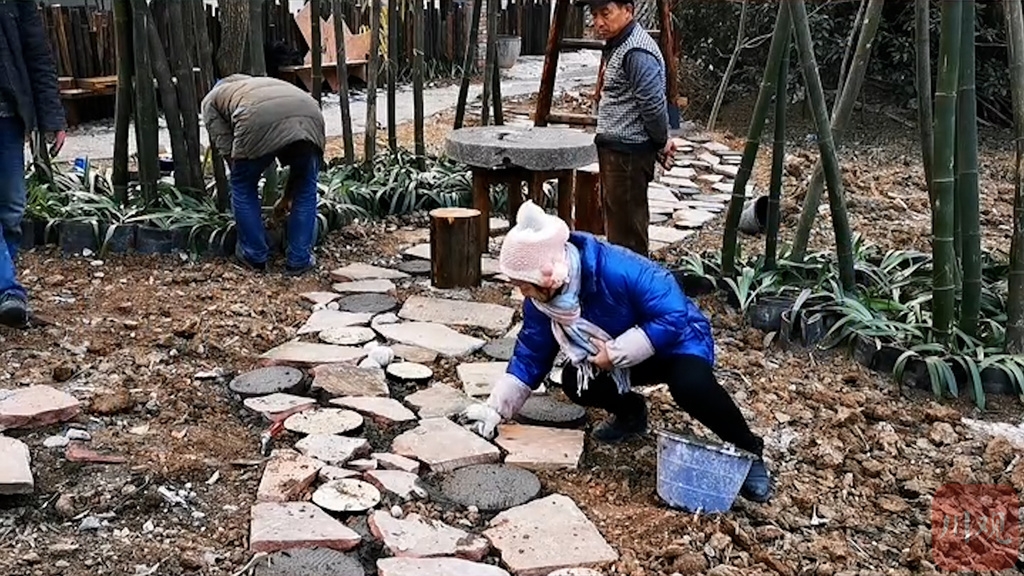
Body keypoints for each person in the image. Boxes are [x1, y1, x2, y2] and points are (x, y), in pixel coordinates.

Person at [459, 201, 772, 503]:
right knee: (576, 381)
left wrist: (617, 353)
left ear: (550, 274)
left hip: (677, 342)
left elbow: (673, 313)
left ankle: (748, 448)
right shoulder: (542, 301)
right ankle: (631, 414)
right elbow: (531, 353)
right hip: (615, 353)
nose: (522, 291)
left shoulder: (618, 269)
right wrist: (496, 409)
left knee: (691, 386)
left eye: (524, 284)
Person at [201, 74, 325, 275]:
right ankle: (300, 260)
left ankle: (254, 255)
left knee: (242, 185)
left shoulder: (212, 100)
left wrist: (246, 177)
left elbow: (230, 154)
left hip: (256, 116)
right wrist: (287, 198)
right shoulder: (258, 84)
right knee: (306, 186)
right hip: (310, 112)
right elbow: (300, 171)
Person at [579, 0, 675, 257]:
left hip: (628, 155)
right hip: (618, 153)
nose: (598, 22)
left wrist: (661, 141)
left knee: (628, 237)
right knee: (619, 229)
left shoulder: (637, 52)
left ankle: (633, 282)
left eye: (605, 13)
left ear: (628, 11)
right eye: (595, 15)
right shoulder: (619, 44)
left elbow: (653, 107)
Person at [0, 2, 66, 328]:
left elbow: (37, 54)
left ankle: (5, 293)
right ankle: (8, 290)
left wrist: (53, 118)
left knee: (12, 210)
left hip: (7, 117)